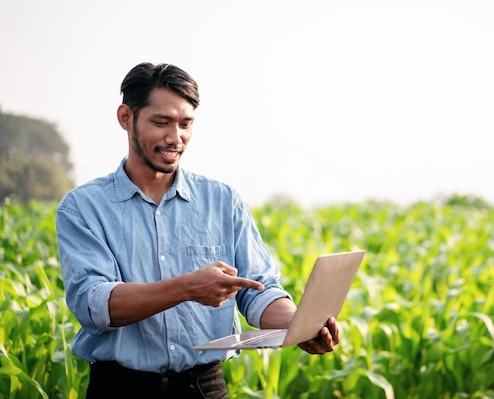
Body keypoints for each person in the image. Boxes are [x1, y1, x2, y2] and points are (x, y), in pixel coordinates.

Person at [55, 62, 341, 399]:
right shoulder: (83, 207)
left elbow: (258, 289)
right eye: (161, 122)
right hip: (119, 388)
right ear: (126, 118)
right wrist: (189, 287)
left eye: (185, 124)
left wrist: (299, 325)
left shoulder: (222, 200)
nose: (175, 138)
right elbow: (96, 305)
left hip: (204, 388)